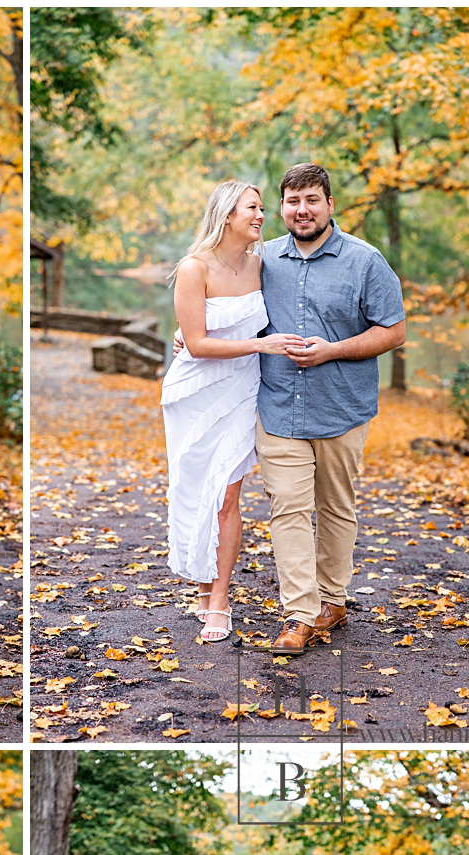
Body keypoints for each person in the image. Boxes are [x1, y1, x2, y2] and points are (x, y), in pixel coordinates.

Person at [174, 164, 407, 653]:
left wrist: (331, 350)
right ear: (284, 207)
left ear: (329, 205)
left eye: (312, 200)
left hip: (343, 406)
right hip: (278, 406)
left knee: (337, 508)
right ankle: (300, 614)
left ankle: (334, 598)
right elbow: (227, 304)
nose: (302, 210)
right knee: (288, 510)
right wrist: (190, 335)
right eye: (292, 201)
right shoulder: (265, 260)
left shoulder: (366, 261)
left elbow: (393, 331)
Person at [162, 182, 305, 643]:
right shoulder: (194, 267)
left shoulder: (262, 266)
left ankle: (219, 601)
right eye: (253, 208)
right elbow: (198, 343)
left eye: (264, 208)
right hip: (196, 391)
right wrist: (190, 334)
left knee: (226, 496)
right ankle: (203, 588)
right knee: (197, 489)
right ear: (227, 215)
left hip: (242, 389)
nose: (262, 215)